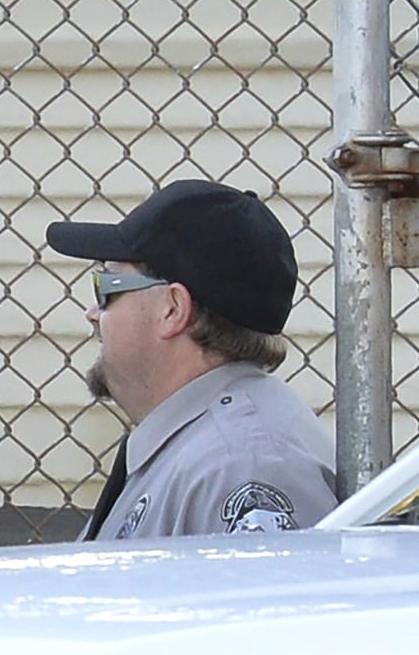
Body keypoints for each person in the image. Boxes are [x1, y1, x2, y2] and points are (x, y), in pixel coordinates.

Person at [44, 179, 338, 541]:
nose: (91, 313)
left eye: (105, 289)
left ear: (173, 309)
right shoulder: (204, 448)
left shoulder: (243, 467)